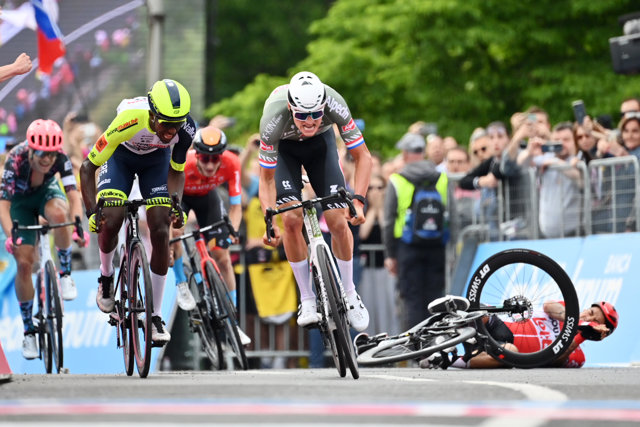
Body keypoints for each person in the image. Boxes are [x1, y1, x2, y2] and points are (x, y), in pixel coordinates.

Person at [79, 79, 195, 345]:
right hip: (119, 157)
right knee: (113, 216)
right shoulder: (128, 121)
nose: (171, 130)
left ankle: (154, 316)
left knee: (161, 226)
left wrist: (175, 204)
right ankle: (106, 277)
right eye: (165, 123)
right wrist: (91, 212)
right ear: (152, 115)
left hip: (156, 162)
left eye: (176, 124)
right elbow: (87, 167)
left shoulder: (185, 130)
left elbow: (176, 171)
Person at [258, 71, 371, 331]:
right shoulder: (273, 118)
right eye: (301, 115)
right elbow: (265, 180)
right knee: (290, 219)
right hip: (285, 152)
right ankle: (307, 299)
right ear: (290, 108)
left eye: (315, 114)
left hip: (322, 147)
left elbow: (363, 157)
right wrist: (269, 219)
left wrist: (360, 201)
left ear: (323, 107)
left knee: (338, 221)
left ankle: (350, 293)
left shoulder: (335, 103)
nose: (309, 121)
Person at [0, 119, 85, 359]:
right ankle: (28, 330)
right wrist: (11, 236)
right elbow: (3, 207)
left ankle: (65, 273)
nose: (46, 160)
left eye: (50, 154)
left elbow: (73, 196)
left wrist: (77, 224)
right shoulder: (15, 159)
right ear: (29, 150)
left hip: (47, 194)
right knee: (24, 263)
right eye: (41, 155)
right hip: (19, 203)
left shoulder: (61, 158)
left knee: (60, 213)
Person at [169, 125, 251, 345]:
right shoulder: (182, 163)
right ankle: (181, 284)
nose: (210, 164)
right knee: (176, 231)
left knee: (222, 257)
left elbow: (235, 207)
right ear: (196, 154)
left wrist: (232, 230)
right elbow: (168, 205)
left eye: (216, 159)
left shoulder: (231, 162)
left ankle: (233, 324)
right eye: (205, 158)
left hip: (208, 201)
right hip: (182, 199)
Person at [422, 300, 618, 369]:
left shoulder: (579, 355)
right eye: (590, 312)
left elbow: (556, 360)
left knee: (509, 353)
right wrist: (576, 320)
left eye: (595, 321)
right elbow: (549, 307)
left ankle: (446, 359)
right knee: (483, 314)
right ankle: (443, 322)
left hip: (503, 346)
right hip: (500, 326)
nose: (588, 317)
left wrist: (582, 334)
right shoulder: (569, 308)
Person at [383, 132, 448, 331]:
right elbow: (450, 215)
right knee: (436, 298)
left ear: (405, 154)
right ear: (423, 152)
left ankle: (418, 352)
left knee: (412, 298)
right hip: (437, 246)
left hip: (407, 246)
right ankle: (437, 344)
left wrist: (390, 254)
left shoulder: (397, 179)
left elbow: (388, 219)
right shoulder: (442, 178)